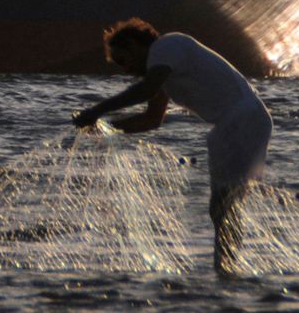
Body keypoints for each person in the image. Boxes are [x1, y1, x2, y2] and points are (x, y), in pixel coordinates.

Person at [73, 17, 271, 276]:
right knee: (223, 206)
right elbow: (152, 119)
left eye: (124, 60)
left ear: (135, 44)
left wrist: (96, 110)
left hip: (242, 120)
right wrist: (107, 127)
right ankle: (225, 268)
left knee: (224, 206)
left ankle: (226, 270)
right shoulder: (163, 69)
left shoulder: (168, 45)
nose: (126, 70)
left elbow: (145, 90)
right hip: (235, 125)